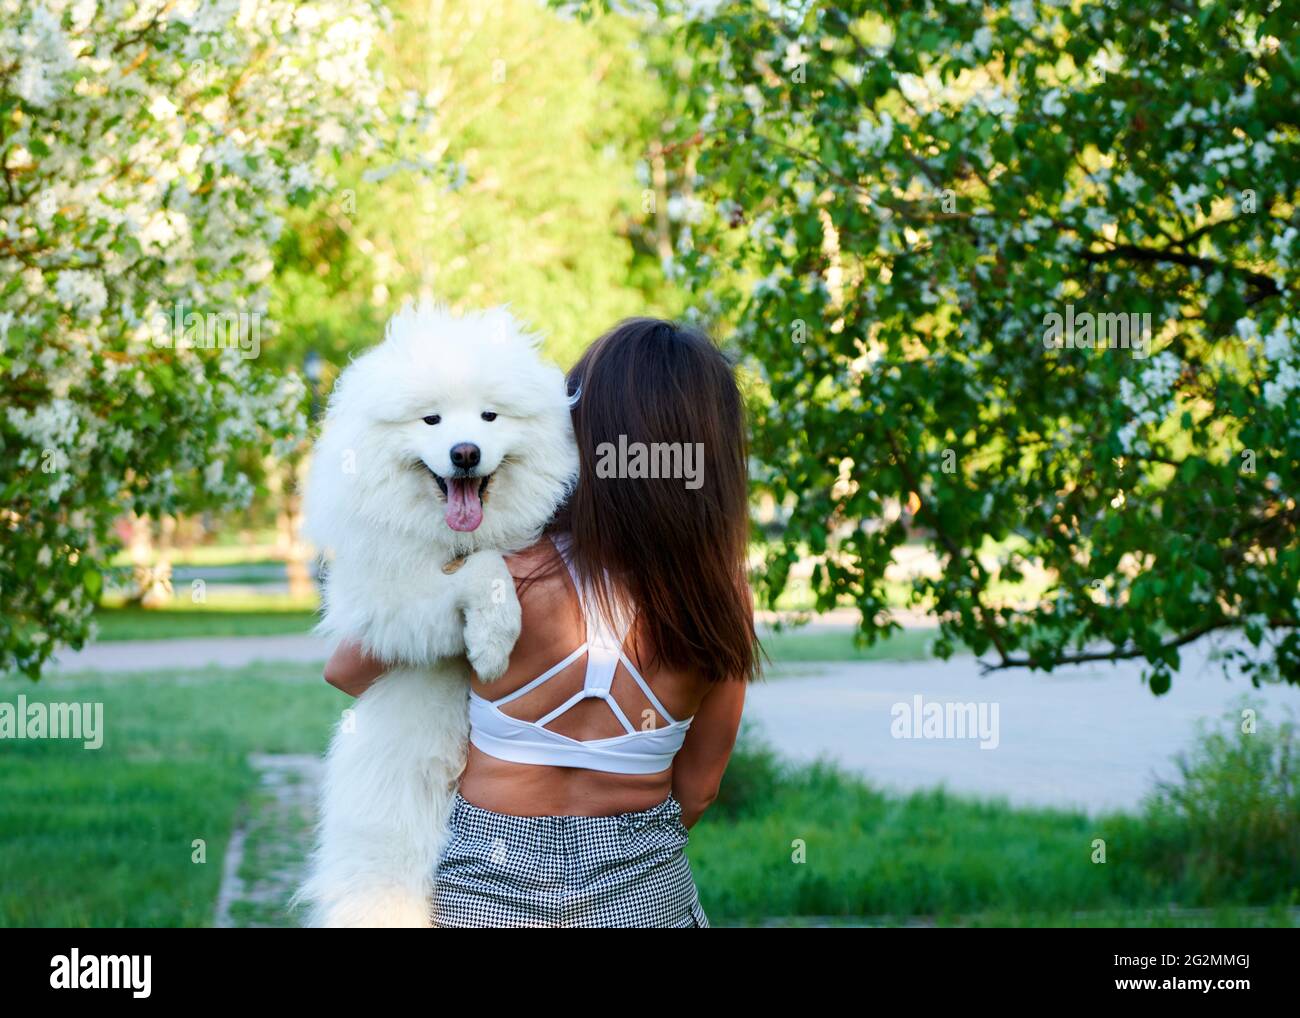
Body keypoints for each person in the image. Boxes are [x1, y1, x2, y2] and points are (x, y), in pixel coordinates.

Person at [323, 317, 759, 928]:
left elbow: (346, 670)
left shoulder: (506, 569)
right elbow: (699, 789)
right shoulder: (722, 598)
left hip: (489, 891)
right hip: (642, 896)